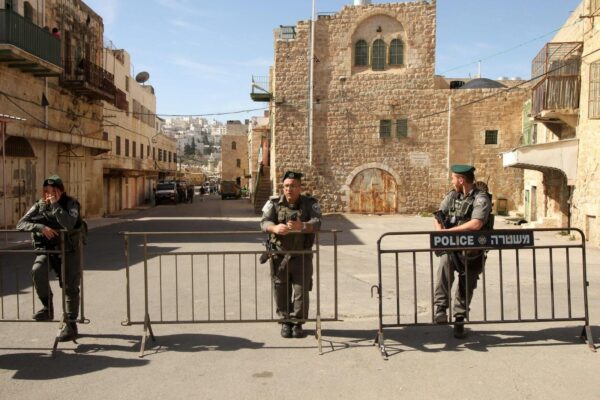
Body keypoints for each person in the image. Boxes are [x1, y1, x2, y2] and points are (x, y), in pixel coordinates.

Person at [17, 175, 84, 342]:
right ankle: (47, 307)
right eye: (47, 191)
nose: (50, 194)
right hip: (48, 250)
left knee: (70, 285)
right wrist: (40, 227)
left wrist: (55, 204)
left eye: (54, 191)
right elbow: (21, 223)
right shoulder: (40, 205)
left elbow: (68, 224)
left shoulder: (71, 204)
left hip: (69, 250)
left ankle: (71, 324)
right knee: (37, 271)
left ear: (61, 190)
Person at [433, 165, 492, 339]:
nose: (451, 181)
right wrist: (439, 232)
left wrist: (448, 233)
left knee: (467, 283)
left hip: (472, 249)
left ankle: (459, 319)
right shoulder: (452, 195)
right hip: (452, 247)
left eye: (453, 178)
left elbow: (476, 223)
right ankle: (441, 309)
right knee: (444, 267)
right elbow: (438, 215)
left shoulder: (480, 198)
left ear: (461, 180)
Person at [260, 171, 322, 338]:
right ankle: (285, 322)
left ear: (299, 187)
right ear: (283, 187)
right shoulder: (273, 203)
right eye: (286, 186)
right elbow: (264, 222)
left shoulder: (310, 203)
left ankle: (298, 323)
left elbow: (317, 222)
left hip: (302, 255)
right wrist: (275, 228)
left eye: (293, 186)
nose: (289, 189)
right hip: (279, 256)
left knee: (301, 291)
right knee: (281, 289)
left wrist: (301, 226)